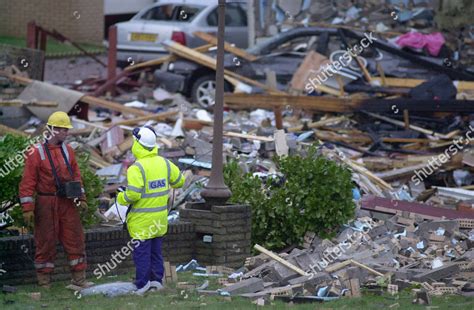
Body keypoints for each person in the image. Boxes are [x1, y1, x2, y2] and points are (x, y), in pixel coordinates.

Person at [19, 111, 90, 289]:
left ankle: (79, 279)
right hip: (46, 203)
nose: (65, 133)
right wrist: (27, 208)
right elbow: (28, 182)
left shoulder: (68, 151)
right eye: (61, 129)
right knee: (45, 241)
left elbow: (76, 176)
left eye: (66, 129)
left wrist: (81, 198)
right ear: (50, 129)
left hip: (67, 202)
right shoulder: (36, 152)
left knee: (75, 239)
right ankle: (44, 283)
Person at [117, 126, 185, 295]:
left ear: (138, 144)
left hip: (141, 223)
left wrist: (120, 198)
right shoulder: (164, 163)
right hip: (159, 221)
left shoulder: (136, 168)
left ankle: (142, 285)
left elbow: (132, 195)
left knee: (141, 255)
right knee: (156, 253)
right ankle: (156, 281)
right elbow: (180, 182)